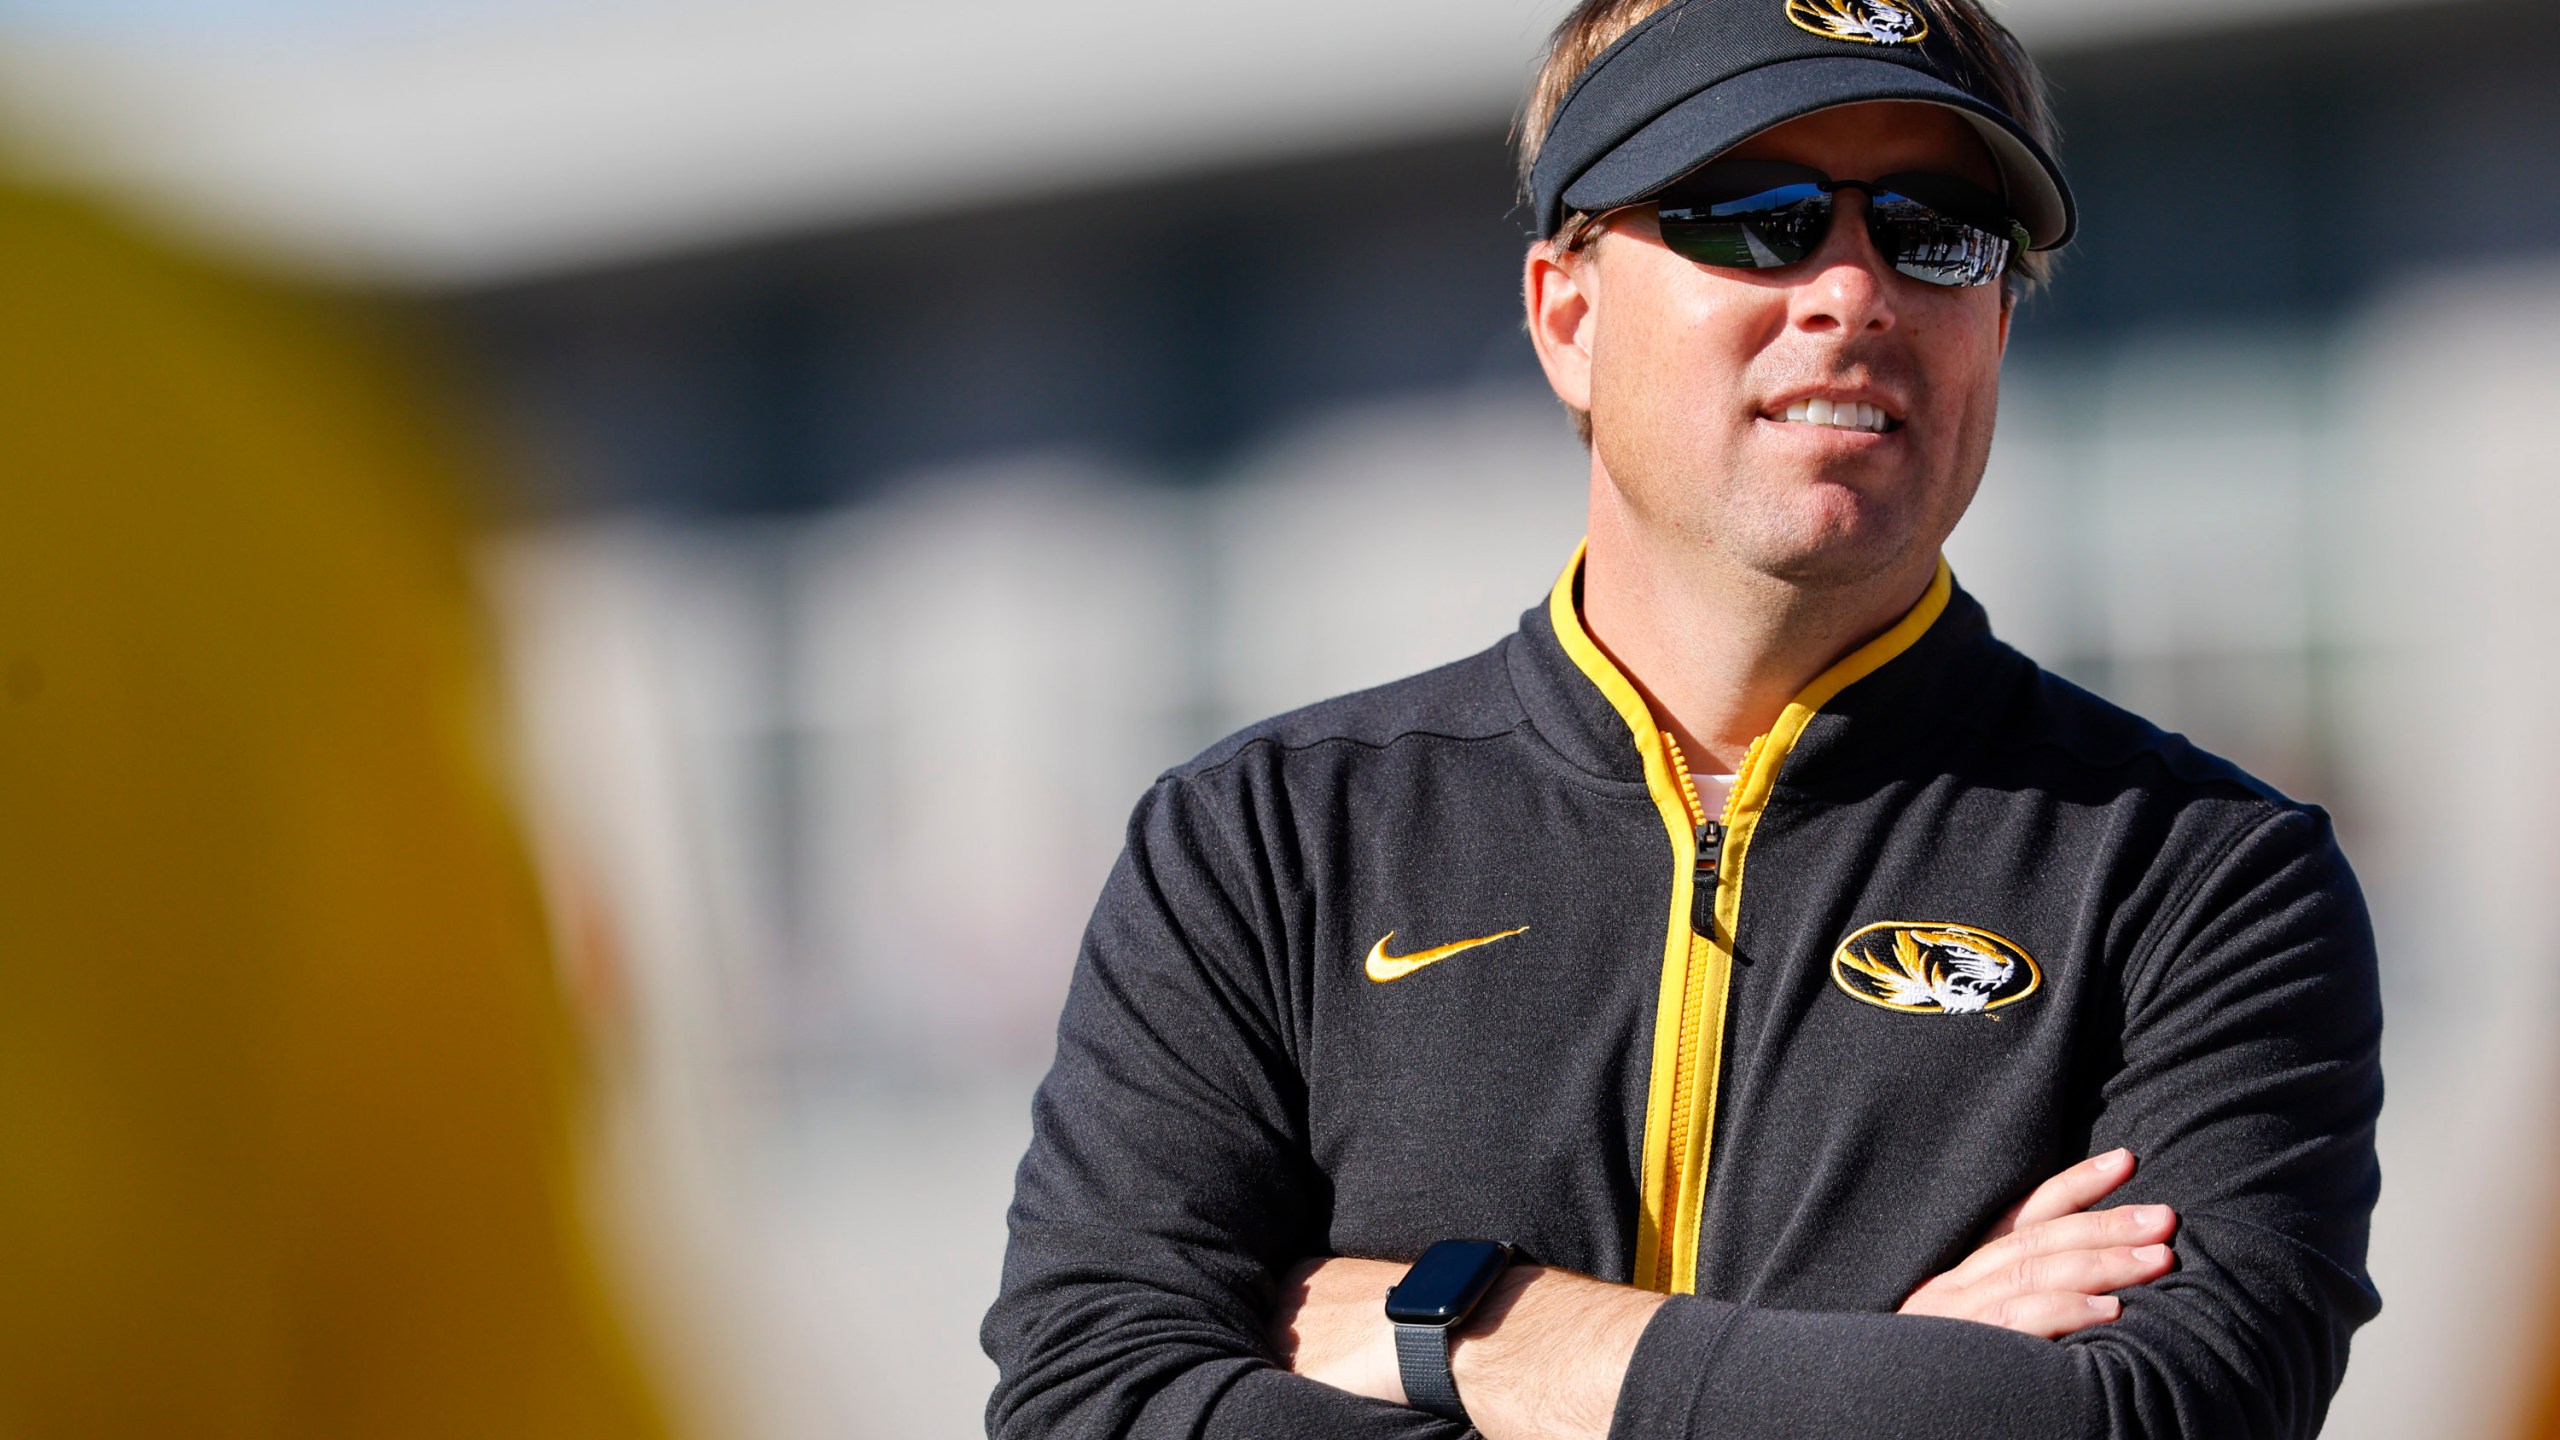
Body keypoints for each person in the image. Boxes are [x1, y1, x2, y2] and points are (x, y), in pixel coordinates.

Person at [982, 1, 2382, 1436]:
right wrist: (1863, 1382)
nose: (1854, 290)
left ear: (1999, 322)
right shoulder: (1267, 843)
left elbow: (2161, 1418)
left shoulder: (2204, 876)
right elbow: (1096, 1401)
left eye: (1938, 228)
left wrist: (1471, 1332)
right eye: (1755, 214)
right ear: (1569, 318)